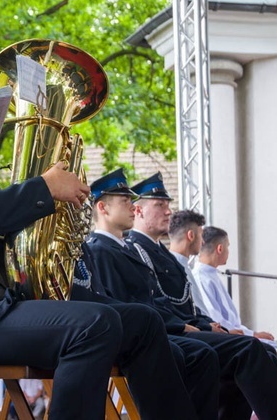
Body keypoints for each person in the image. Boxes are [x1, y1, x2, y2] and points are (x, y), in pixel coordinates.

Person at [0, 57, 200, 420]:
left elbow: (1, 223)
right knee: (94, 325)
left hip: (5, 305)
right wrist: (43, 187)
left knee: (143, 322)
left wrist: (57, 210)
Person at [123, 173, 277, 419]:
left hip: (187, 328)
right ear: (138, 211)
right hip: (169, 334)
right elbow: (150, 304)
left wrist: (205, 324)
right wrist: (188, 325)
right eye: (160, 205)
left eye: (169, 205)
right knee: (248, 350)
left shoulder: (159, 252)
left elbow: (183, 304)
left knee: (262, 354)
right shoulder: (135, 250)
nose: (168, 212)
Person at [80, 169, 220, 420]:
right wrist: (181, 326)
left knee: (204, 355)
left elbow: (154, 299)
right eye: (125, 201)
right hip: (135, 334)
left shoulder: (128, 251)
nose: (133, 207)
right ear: (103, 207)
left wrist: (188, 324)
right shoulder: (99, 250)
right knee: (195, 353)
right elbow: (121, 303)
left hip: (153, 329)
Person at [189, 223, 277, 394]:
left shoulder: (211, 274)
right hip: (228, 338)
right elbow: (218, 321)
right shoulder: (201, 278)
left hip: (238, 334)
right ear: (219, 248)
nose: (228, 252)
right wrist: (252, 334)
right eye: (228, 247)